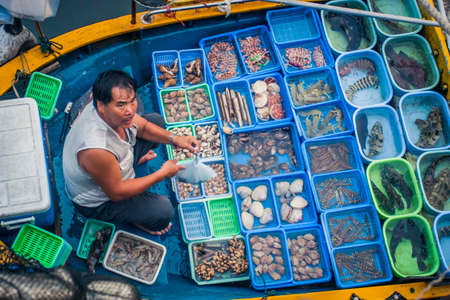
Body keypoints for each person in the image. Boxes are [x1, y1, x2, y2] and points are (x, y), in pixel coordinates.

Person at [62, 70, 200, 235]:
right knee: (162, 211)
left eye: (132, 101)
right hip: (98, 200)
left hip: (109, 167)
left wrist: (176, 139)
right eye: (120, 104)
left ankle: (129, 162)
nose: (129, 110)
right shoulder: (96, 149)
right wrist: (163, 173)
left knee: (156, 121)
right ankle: (135, 221)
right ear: (101, 105)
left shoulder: (108, 111)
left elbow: (143, 127)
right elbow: (116, 192)